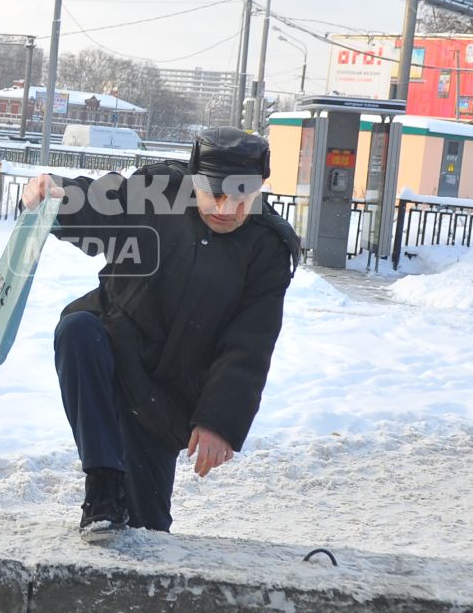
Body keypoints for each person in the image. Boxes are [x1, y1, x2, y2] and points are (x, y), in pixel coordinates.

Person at [23, 128, 299, 540]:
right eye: (214, 194)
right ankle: (102, 485)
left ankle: (130, 515)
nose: (227, 208)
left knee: (146, 531)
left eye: (242, 196)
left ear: (261, 186)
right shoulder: (156, 193)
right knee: (78, 329)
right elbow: (98, 204)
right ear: (193, 181)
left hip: (163, 401)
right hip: (112, 352)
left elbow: (249, 344)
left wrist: (217, 421)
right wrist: (51, 193)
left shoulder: (267, 249)